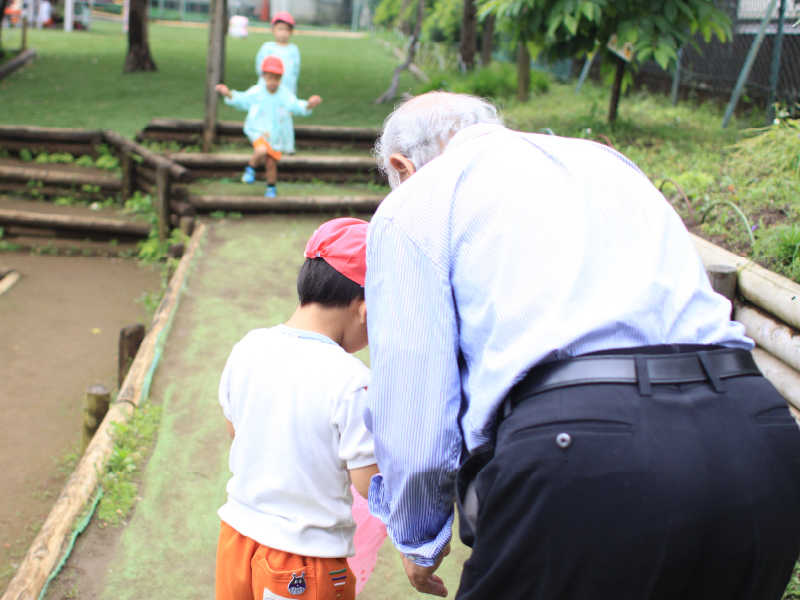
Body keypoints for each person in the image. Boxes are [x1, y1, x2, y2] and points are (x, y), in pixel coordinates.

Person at [364, 91, 800, 600]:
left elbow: (415, 401)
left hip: (582, 450)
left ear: (401, 165)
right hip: (756, 433)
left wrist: (419, 538)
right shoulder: (605, 162)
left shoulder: (414, 203)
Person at [216, 218, 380, 600]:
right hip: (305, 559)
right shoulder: (352, 379)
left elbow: (235, 429)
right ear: (365, 309)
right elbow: (369, 485)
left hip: (236, 538)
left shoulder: (248, 347)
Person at [216, 55, 321, 198]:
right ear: (264, 76)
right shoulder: (257, 92)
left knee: (271, 163)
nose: (273, 82)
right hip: (258, 130)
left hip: (275, 135)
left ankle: (271, 187)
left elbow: (296, 106)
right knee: (261, 150)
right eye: (270, 78)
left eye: (277, 78)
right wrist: (228, 94)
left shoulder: (284, 94)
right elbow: (242, 100)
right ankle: (251, 168)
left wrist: (308, 104)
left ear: (281, 78)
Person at [255, 12, 301, 154]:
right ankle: (265, 143)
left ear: (291, 32)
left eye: (286, 30)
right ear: (273, 30)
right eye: (280, 29)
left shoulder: (293, 50)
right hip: (269, 90)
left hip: (285, 92)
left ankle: (287, 146)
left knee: (284, 118)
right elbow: (259, 68)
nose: (283, 33)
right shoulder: (267, 48)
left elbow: (295, 72)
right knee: (267, 116)